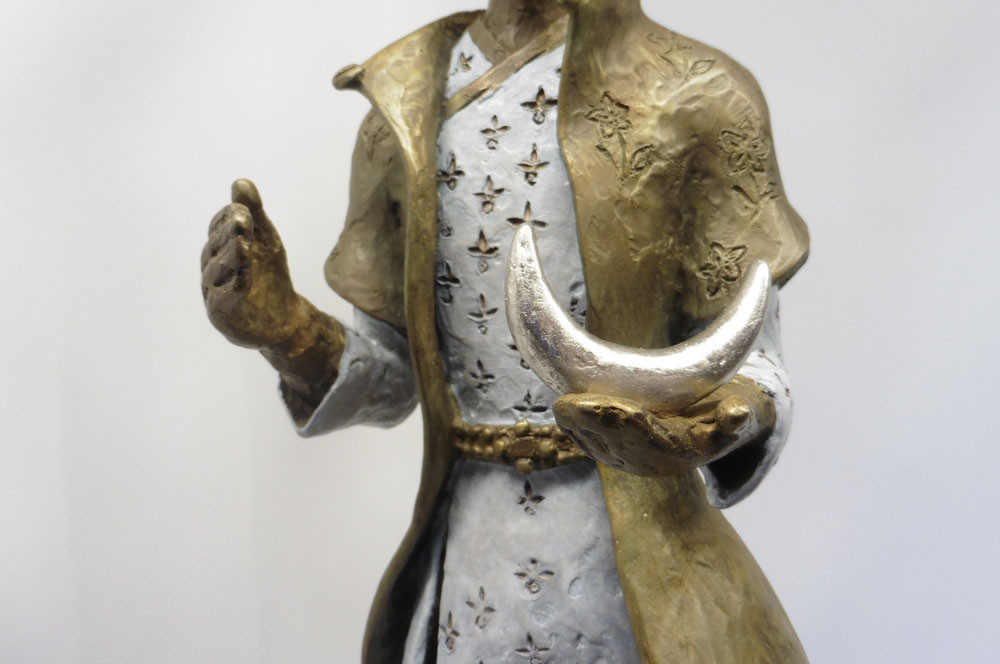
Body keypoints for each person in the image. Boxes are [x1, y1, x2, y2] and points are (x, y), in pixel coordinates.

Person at [200, 0, 810, 661]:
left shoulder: (700, 94)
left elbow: (752, 363)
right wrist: (287, 331)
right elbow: (394, 375)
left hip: (640, 576)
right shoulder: (403, 104)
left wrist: (715, 421)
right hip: (471, 568)